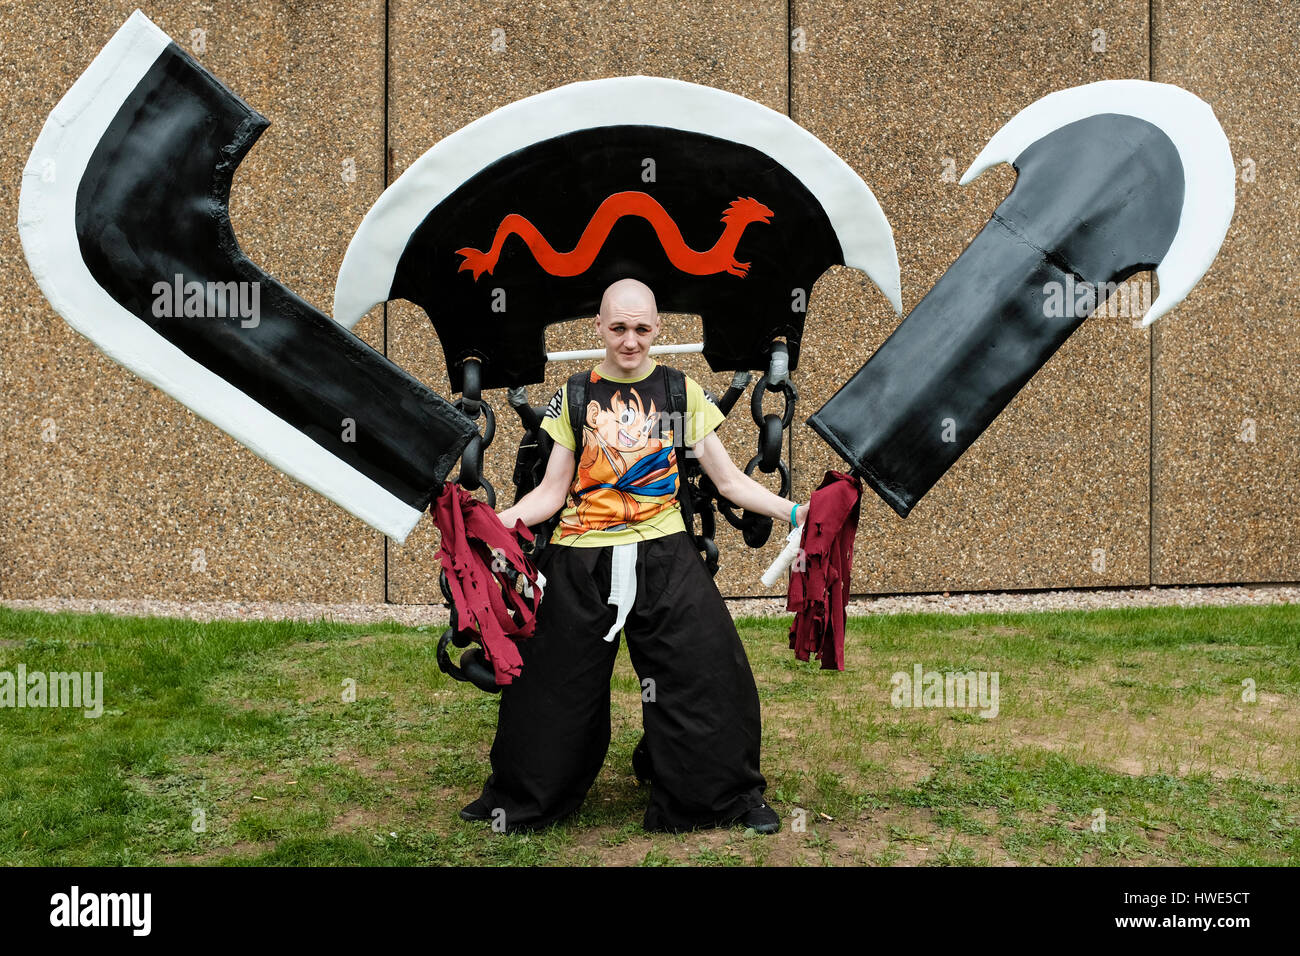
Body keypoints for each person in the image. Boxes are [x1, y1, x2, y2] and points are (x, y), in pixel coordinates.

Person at [460, 277, 808, 834]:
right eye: (618, 328)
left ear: (657, 331)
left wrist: (795, 513)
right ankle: (524, 795)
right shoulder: (575, 398)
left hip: (665, 556)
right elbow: (550, 495)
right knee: (550, 687)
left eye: (642, 329)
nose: (630, 340)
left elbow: (728, 480)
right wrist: (482, 526)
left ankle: (720, 796)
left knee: (709, 674)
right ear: (598, 327)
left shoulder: (677, 395)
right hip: (579, 559)